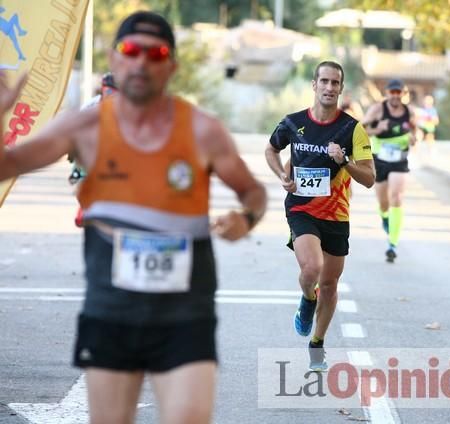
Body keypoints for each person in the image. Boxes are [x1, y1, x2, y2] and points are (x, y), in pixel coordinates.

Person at [0, 11, 267, 424]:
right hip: (111, 311)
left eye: (155, 53)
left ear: (171, 66)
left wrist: (246, 218)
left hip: (185, 314)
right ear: (113, 57)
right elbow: (8, 164)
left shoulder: (203, 131)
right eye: (131, 51)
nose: (142, 62)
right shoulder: (85, 126)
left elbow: (253, 190)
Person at [264, 61, 374, 371]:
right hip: (301, 208)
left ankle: (317, 343)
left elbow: (369, 178)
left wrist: (345, 161)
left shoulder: (352, 129)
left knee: (329, 284)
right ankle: (306, 299)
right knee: (311, 269)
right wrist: (282, 177)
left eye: (334, 83)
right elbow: (271, 151)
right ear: (314, 85)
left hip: (336, 215)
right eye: (323, 81)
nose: (328, 87)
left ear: (341, 88)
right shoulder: (293, 122)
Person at [361, 78, 417, 262]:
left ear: (403, 93)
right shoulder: (378, 109)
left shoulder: (409, 111)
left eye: (398, 92)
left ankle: (393, 243)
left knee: (397, 197)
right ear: (387, 93)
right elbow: (361, 129)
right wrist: (377, 129)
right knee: (383, 202)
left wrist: (414, 138)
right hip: (380, 159)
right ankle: (385, 217)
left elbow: (416, 131)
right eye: (392, 92)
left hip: (399, 159)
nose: (395, 95)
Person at [69, 72, 118, 227]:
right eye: (108, 92)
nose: (111, 97)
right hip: (90, 147)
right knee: (80, 175)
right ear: (102, 90)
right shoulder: (91, 106)